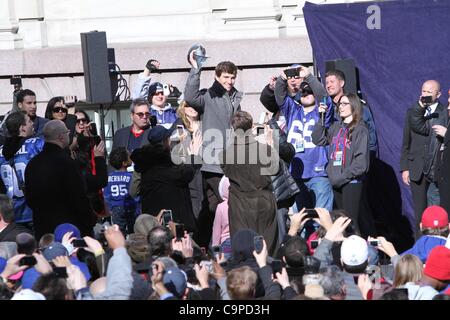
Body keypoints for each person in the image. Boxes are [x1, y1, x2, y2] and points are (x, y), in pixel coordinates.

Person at [184, 50, 243, 247]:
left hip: (228, 162)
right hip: (214, 164)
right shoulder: (209, 96)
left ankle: (200, 244)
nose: (230, 81)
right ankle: (229, 245)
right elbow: (191, 97)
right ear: (217, 76)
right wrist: (195, 69)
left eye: (233, 77)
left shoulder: (235, 97)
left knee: (211, 208)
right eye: (226, 77)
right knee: (230, 205)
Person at [274, 67, 334, 212]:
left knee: (321, 217)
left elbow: (324, 97)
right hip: (295, 173)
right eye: (303, 92)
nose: (305, 94)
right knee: (299, 219)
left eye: (309, 91)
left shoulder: (321, 112)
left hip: (318, 173)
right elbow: (280, 97)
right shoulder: (293, 110)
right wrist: (282, 79)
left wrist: (308, 77)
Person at [24, 120, 96, 240]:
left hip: (43, 229)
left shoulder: (33, 164)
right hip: (69, 229)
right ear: (61, 137)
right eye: (68, 132)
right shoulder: (67, 163)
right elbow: (79, 197)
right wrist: (88, 221)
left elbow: (30, 199)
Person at [220, 111, 279, 255]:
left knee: (243, 249)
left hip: (239, 205)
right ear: (252, 126)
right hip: (262, 202)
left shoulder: (225, 154)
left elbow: (227, 172)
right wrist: (272, 147)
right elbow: (274, 169)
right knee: (267, 248)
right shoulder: (265, 150)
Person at [312, 94, 370, 234]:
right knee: (339, 222)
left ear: (354, 106)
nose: (341, 107)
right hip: (336, 181)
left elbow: (361, 164)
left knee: (350, 221)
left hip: (351, 181)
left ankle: (358, 252)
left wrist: (342, 177)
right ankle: (343, 252)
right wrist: (321, 117)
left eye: (345, 104)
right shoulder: (335, 127)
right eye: (340, 104)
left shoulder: (360, 129)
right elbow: (318, 139)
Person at [131, 126, 201, 233]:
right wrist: (193, 155)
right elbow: (184, 175)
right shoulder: (163, 162)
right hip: (173, 224)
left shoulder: (143, 164)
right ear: (166, 141)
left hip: (152, 224)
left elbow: (133, 191)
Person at [401, 80, 447, 238]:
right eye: (423, 91)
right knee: (420, 213)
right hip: (417, 168)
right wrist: (405, 167)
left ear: (438, 94)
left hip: (436, 168)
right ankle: (419, 250)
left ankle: (438, 246)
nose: (425, 95)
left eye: (429, 92)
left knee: (437, 210)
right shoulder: (412, 112)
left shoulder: (445, 112)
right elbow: (406, 141)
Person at [0, 111, 44, 229]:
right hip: (32, 211)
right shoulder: (36, 144)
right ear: (22, 128)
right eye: (29, 121)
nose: (32, 123)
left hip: (10, 213)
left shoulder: (1, 152)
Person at [131, 59, 178, 129]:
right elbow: (137, 100)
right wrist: (147, 70)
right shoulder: (147, 113)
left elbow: (190, 108)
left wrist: (179, 95)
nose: (160, 96)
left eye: (162, 93)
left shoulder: (174, 113)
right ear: (150, 97)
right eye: (155, 94)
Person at [104, 147, 139, 235]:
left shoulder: (109, 177)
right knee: (133, 231)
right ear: (124, 163)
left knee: (119, 232)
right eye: (129, 156)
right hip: (130, 207)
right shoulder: (130, 176)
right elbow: (134, 193)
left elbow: (107, 194)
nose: (131, 156)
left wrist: (110, 208)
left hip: (115, 208)